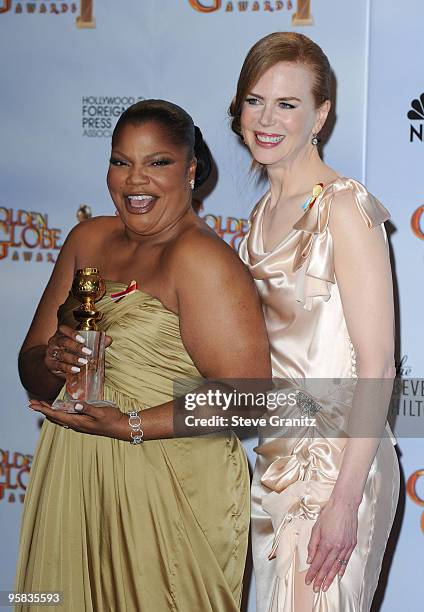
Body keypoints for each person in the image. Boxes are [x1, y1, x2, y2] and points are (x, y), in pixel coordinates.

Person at [15, 99, 271, 611]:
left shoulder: (200, 259)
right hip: (77, 469)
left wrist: (129, 424)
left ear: (191, 169)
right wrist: (53, 361)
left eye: (157, 162)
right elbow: (32, 369)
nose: (135, 181)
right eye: (120, 161)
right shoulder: (87, 239)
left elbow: (248, 398)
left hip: (168, 484)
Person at [231, 32, 400, 611]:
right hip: (275, 462)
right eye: (255, 100)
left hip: (334, 465)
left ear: (320, 115)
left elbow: (377, 363)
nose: (266, 119)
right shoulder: (259, 215)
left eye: (287, 104)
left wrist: (345, 500)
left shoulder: (345, 207)